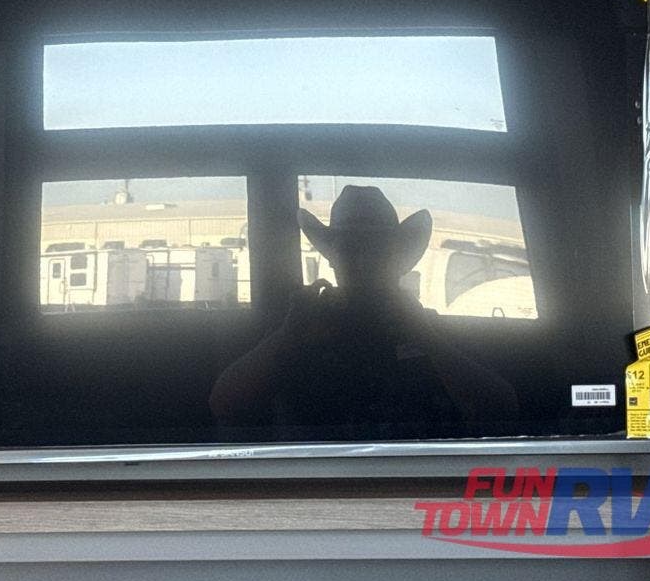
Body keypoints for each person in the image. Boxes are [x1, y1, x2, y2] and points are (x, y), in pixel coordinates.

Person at [209, 185, 519, 433]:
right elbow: (225, 403)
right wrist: (290, 333)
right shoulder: (300, 325)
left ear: (396, 257)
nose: (362, 260)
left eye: (375, 249)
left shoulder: (428, 328)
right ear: (333, 257)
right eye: (350, 247)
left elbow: (501, 409)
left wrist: (424, 334)